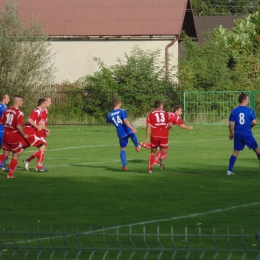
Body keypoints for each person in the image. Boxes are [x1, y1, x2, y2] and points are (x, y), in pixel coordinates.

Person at [227, 92, 260, 175]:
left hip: (237, 133)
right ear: (244, 100)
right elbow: (255, 122)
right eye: (248, 99)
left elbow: (230, 123)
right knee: (257, 149)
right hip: (246, 133)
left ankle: (229, 171)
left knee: (235, 151)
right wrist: (250, 126)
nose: (248, 101)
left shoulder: (234, 111)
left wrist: (231, 133)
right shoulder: (250, 110)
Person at [106, 98, 140, 170]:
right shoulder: (122, 111)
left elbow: (108, 120)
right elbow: (125, 120)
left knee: (123, 149)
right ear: (118, 104)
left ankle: (124, 166)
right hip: (127, 130)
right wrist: (132, 128)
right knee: (133, 134)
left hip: (121, 133)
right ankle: (137, 146)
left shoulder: (109, 114)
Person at [0, 95, 28, 178]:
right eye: (21, 101)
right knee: (15, 156)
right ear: (17, 102)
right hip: (15, 137)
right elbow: (18, 126)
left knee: (5, 154)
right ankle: (10, 174)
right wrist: (24, 134)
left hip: (6, 136)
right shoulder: (19, 113)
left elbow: (1, 122)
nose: (22, 102)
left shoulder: (6, 111)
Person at [20, 98, 50, 172]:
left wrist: (45, 129)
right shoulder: (38, 110)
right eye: (47, 103)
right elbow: (30, 120)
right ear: (42, 104)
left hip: (30, 131)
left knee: (21, 149)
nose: (48, 104)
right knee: (42, 147)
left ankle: (11, 165)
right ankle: (39, 167)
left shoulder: (41, 111)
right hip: (31, 132)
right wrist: (38, 127)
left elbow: (41, 122)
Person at [145, 100, 172, 174]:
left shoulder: (151, 114)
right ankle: (162, 157)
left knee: (153, 152)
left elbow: (148, 126)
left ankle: (150, 169)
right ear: (161, 106)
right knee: (164, 150)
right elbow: (170, 124)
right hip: (164, 135)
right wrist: (166, 129)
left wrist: (147, 138)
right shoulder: (166, 113)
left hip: (155, 135)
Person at [0, 93, 10, 170]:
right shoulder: (4, 109)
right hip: (2, 130)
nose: (8, 100)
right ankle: (1, 165)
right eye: (7, 98)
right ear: (3, 99)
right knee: (7, 149)